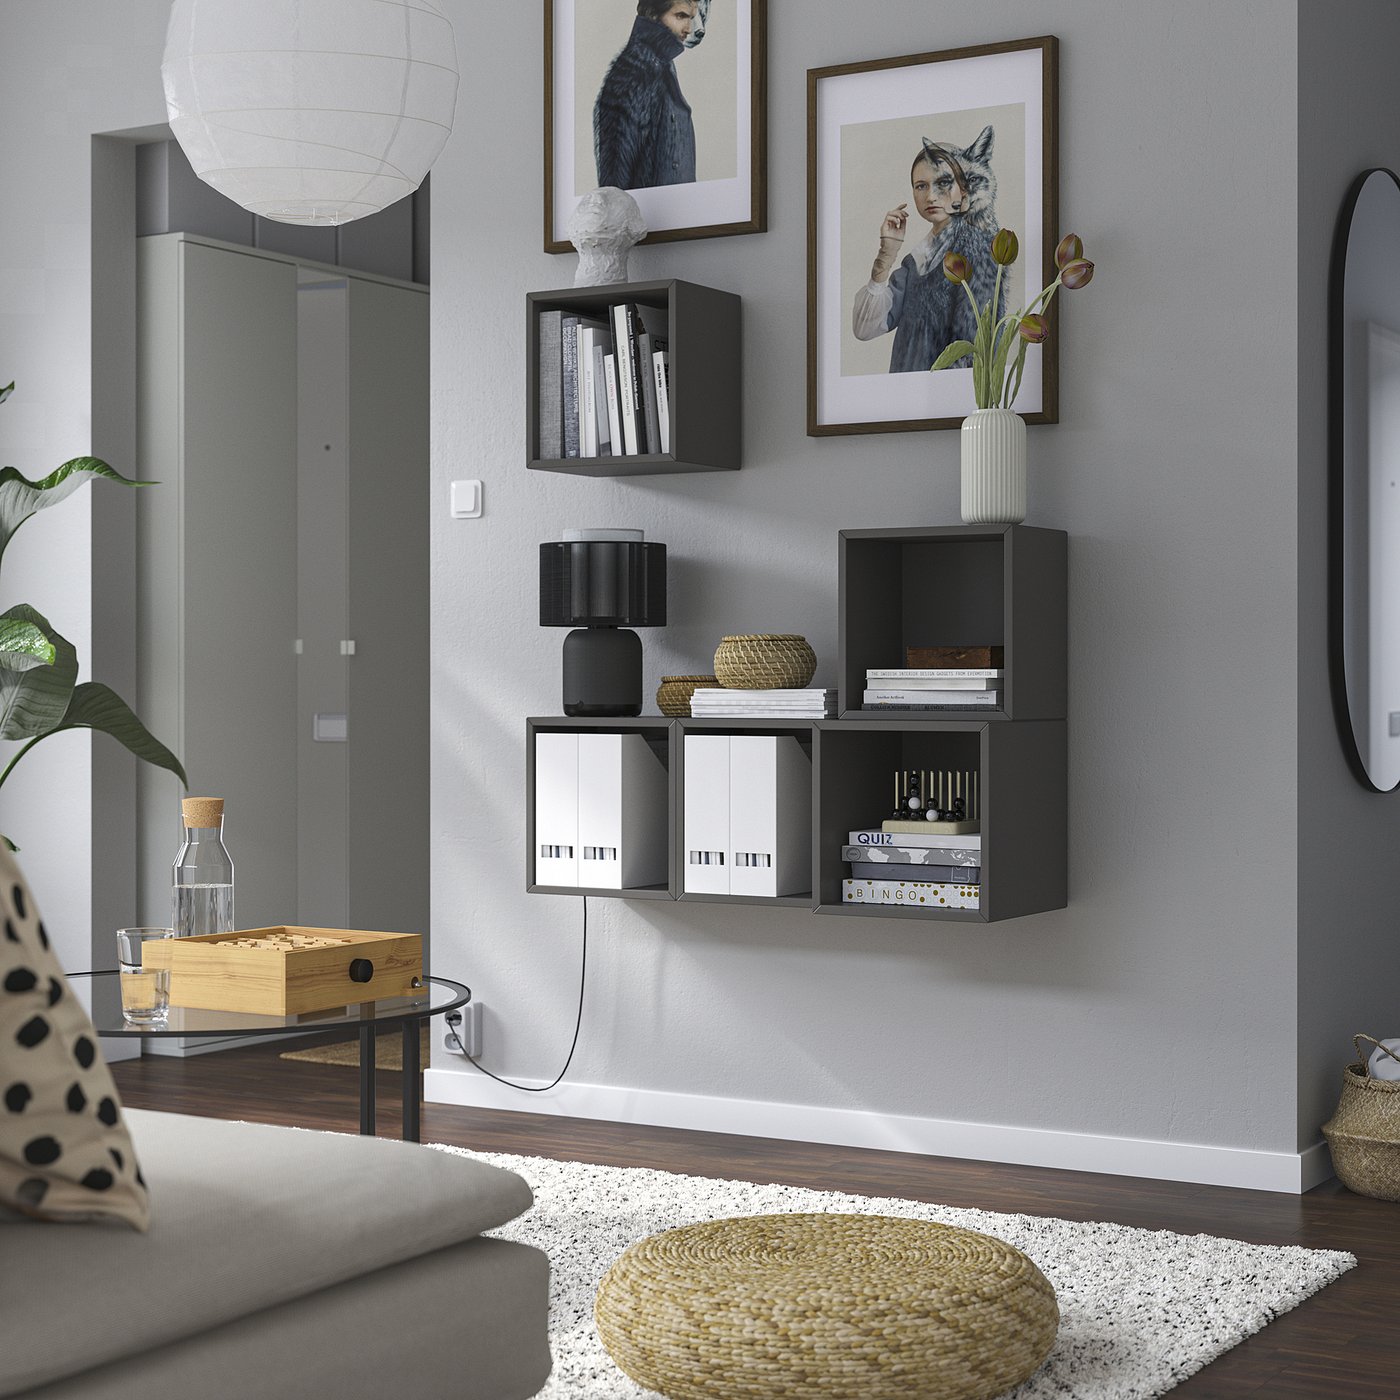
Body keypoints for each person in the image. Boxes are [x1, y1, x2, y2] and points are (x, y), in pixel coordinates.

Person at [852, 140, 1003, 375]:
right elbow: (865, 328)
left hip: (944, 401)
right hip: (904, 401)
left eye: (942, 183)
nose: (931, 196)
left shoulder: (977, 249)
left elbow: (975, 349)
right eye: (921, 186)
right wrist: (887, 253)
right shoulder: (916, 261)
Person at [594, 1, 700, 191]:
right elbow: (615, 181)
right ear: (653, 15)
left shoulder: (660, 65)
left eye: (691, 18)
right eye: (681, 16)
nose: (689, 29)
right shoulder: (633, 71)